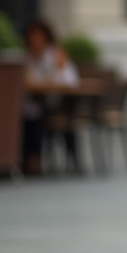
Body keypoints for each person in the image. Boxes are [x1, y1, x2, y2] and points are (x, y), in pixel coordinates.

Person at [21, 19, 80, 175]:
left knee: (36, 115)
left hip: (57, 104)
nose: (35, 40)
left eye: (38, 35)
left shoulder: (56, 55)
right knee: (27, 114)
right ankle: (29, 159)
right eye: (31, 36)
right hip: (34, 103)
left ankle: (34, 159)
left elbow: (69, 80)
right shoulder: (27, 57)